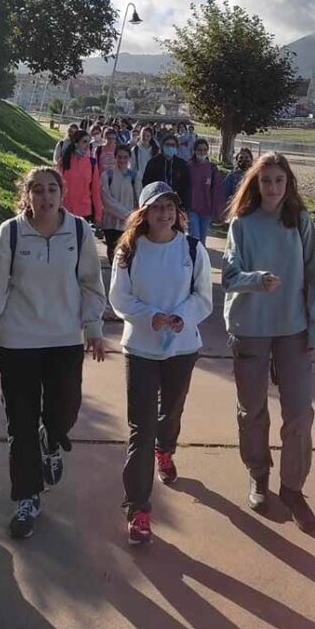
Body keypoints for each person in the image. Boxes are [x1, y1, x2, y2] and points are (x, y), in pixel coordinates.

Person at [0, 166, 107, 539]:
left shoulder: (79, 231)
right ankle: (27, 498)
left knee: (64, 411)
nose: (45, 197)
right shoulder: (11, 233)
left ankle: (52, 440)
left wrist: (94, 325)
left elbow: (90, 284)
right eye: (37, 190)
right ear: (26, 194)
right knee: (20, 424)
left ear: (62, 193)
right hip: (18, 341)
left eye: (52, 189)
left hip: (65, 340)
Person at [222, 152, 315, 531]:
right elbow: (230, 274)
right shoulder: (242, 224)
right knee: (251, 410)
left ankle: (292, 488)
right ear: (255, 183)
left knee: (299, 414)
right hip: (250, 326)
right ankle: (258, 473)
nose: (272, 187)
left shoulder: (299, 221)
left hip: (293, 330)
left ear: (288, 184)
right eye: (265, 180)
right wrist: (256, 279)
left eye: (278, 181)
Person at [110, 181, 213, 545]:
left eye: (169, 207)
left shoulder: (192, 248)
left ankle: (165, 449)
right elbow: (120, 298)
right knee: (141, 426)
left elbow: (203, 297)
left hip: (182, 347)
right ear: (144, 213)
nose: (164, 213)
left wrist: (181, 317)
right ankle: (138, 508)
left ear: (177, 212)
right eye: (156, 208)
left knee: (170, 411)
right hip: (140, 347)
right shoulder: (129, 250)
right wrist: (149, 317)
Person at [100, 143, 140, 265]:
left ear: (129, 158)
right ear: (115, 157)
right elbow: (106, 199)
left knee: (127, 255)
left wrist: (133, 217)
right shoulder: (107, 175)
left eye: (125, 157)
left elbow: (139, 198)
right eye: (120, 157)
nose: (122, 160)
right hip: (110, 223)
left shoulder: (135, 176)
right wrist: (126, 214)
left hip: (128, 224)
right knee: (112, 255)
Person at [58, 130, 102, 225]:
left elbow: (95, 191)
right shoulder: (63, 162)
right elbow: (56, 187)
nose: (87, 145)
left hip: (84, 212)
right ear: (76, 143)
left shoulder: (92, 163)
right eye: (84, 142)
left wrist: (98, 214)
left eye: (88, 142)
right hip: (65, 210)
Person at [187, 137, 224, 243]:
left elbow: (217, 191)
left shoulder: (212, 168)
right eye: (199, 150)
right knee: (195, 238)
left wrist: (218, 211)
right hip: (192, 209)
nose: (202, 152)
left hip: (206, 210)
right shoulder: (188, 167)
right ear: (195, 151)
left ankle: (201, 259)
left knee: (202, 240)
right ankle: (193, 259)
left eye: (204, 150)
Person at [142, 133, 191, 210]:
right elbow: (146, 182)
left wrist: (184, 205)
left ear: (176, 147)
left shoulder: (181, 164)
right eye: (167, 144)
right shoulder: (153, 162)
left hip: (176, 203)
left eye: (173, 145)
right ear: (162, 146)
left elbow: (186, 185)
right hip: (157, 201)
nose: (170, 147)